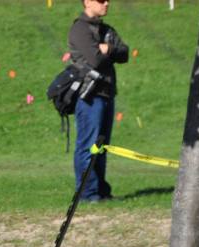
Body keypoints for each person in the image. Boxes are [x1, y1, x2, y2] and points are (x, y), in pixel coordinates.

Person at [68, 0, 128, 202]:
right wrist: (106, 51)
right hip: (89, 96)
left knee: (101, 146)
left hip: (107, 94)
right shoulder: (80, 29)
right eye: (101, 0)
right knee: (88, 145)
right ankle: (87, 193)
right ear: (87, 2)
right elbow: (95, 59)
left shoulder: (106, 29)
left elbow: (125, 53)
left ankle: (101, 191)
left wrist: (107, 49)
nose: (107, 3)